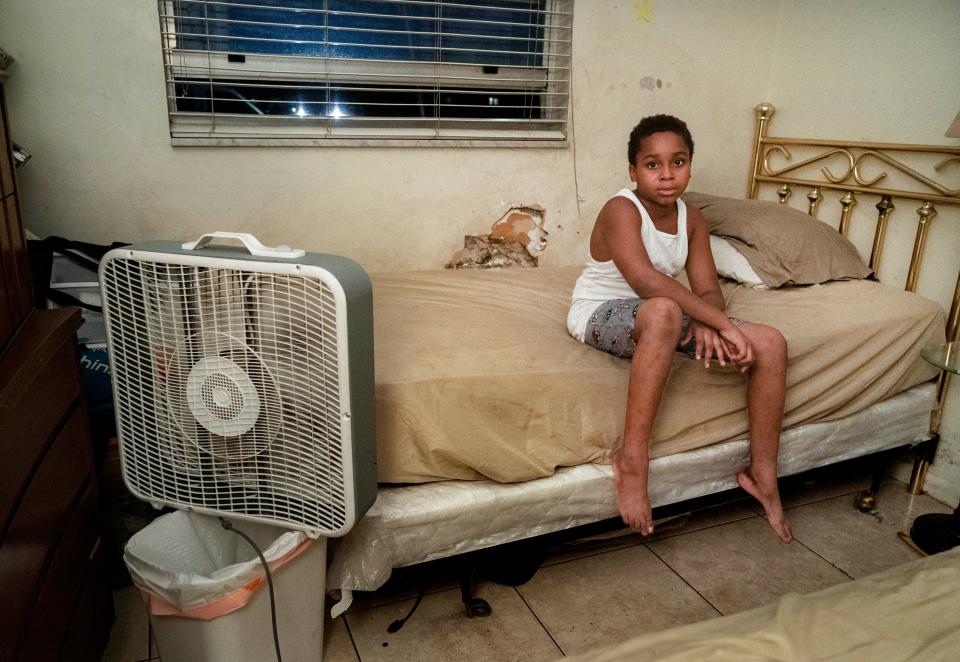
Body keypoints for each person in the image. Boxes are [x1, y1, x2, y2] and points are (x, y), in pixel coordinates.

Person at [566, 114, 793, 544]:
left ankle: (763, 474)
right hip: (601, 313)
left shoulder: (691, 218)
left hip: (660, 315)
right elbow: (645, 282)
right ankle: (632, 458)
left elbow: (708, 287)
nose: (667, 174)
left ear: (690, 165)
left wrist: (710, 323)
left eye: (678, 162)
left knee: (771, 342)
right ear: (633, 172)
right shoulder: (620, 209)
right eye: (652, 164)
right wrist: (719, 323)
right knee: (665, 309)